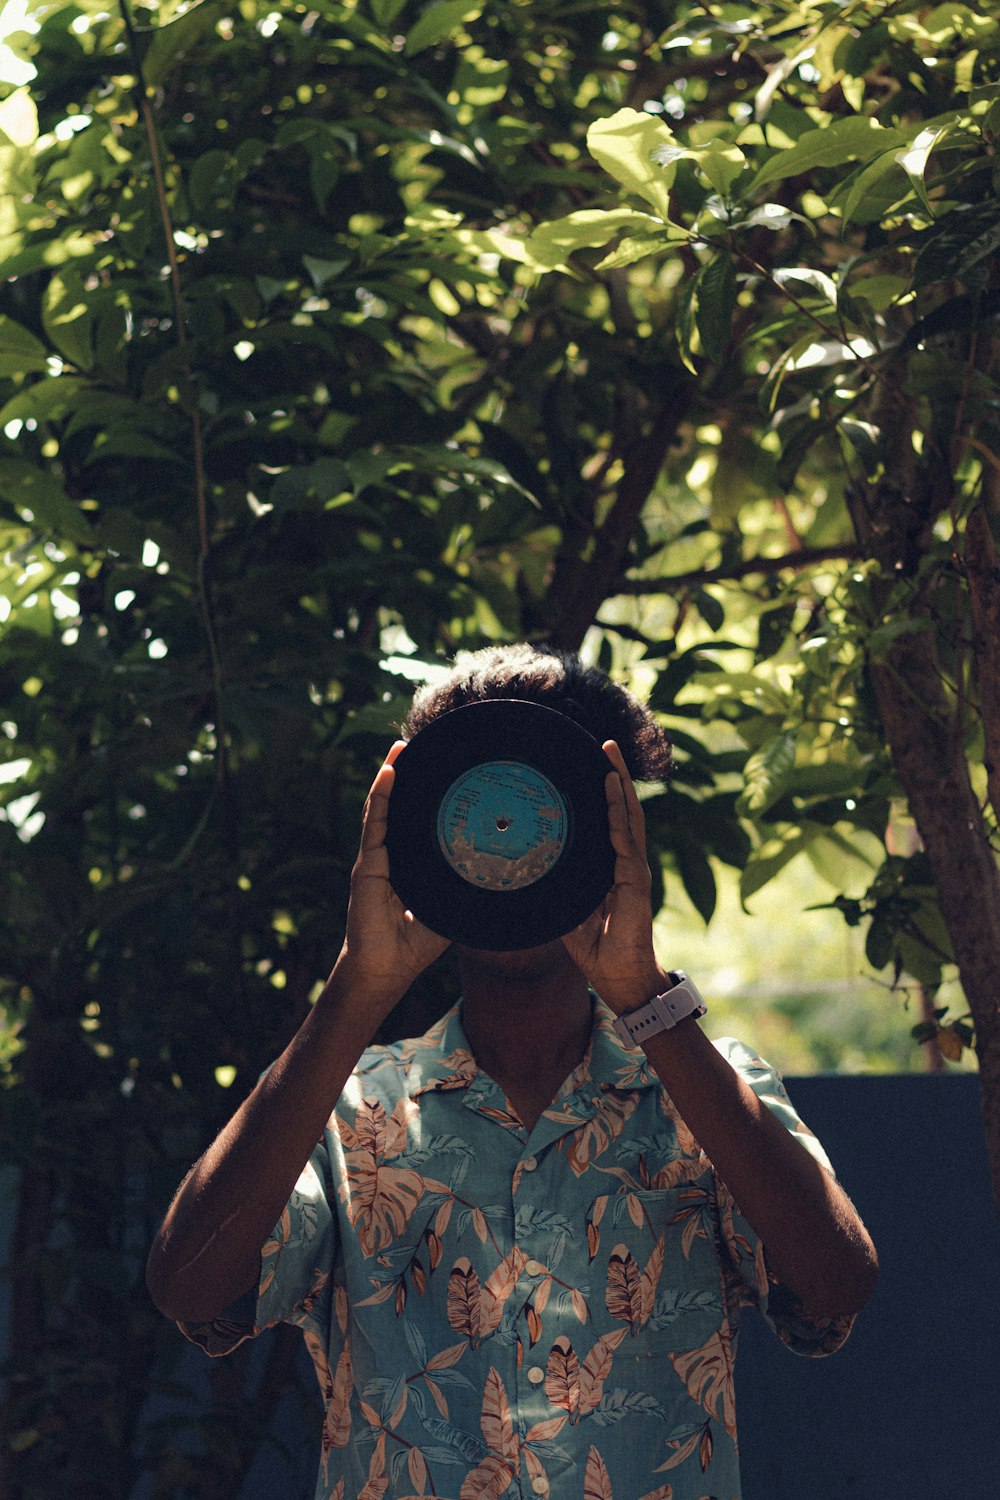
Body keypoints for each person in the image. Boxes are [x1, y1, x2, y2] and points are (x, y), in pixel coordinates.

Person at [147, 643, 878, 1500]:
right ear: (427, 833)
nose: (512, 836)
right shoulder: (349, 1110)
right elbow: (191, 1286)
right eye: (485, 808)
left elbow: (833, 1284)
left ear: (614, 839)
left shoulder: (703, 1092)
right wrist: (357, 986)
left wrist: (646, 998)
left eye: (546, 809)